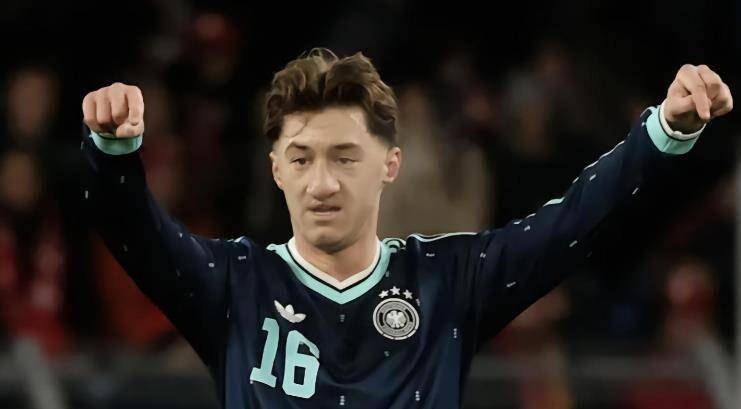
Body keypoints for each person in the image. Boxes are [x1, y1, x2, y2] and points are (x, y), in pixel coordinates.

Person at [79, 49, 732, 408]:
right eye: (301, 159)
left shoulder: (448, 279)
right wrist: (111, 153)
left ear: (388, 165)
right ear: (276, 169)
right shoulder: (233, 283)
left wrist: (663, 132)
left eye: (344, 157)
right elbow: (133, 229)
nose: (322, 183)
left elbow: (573, 219)